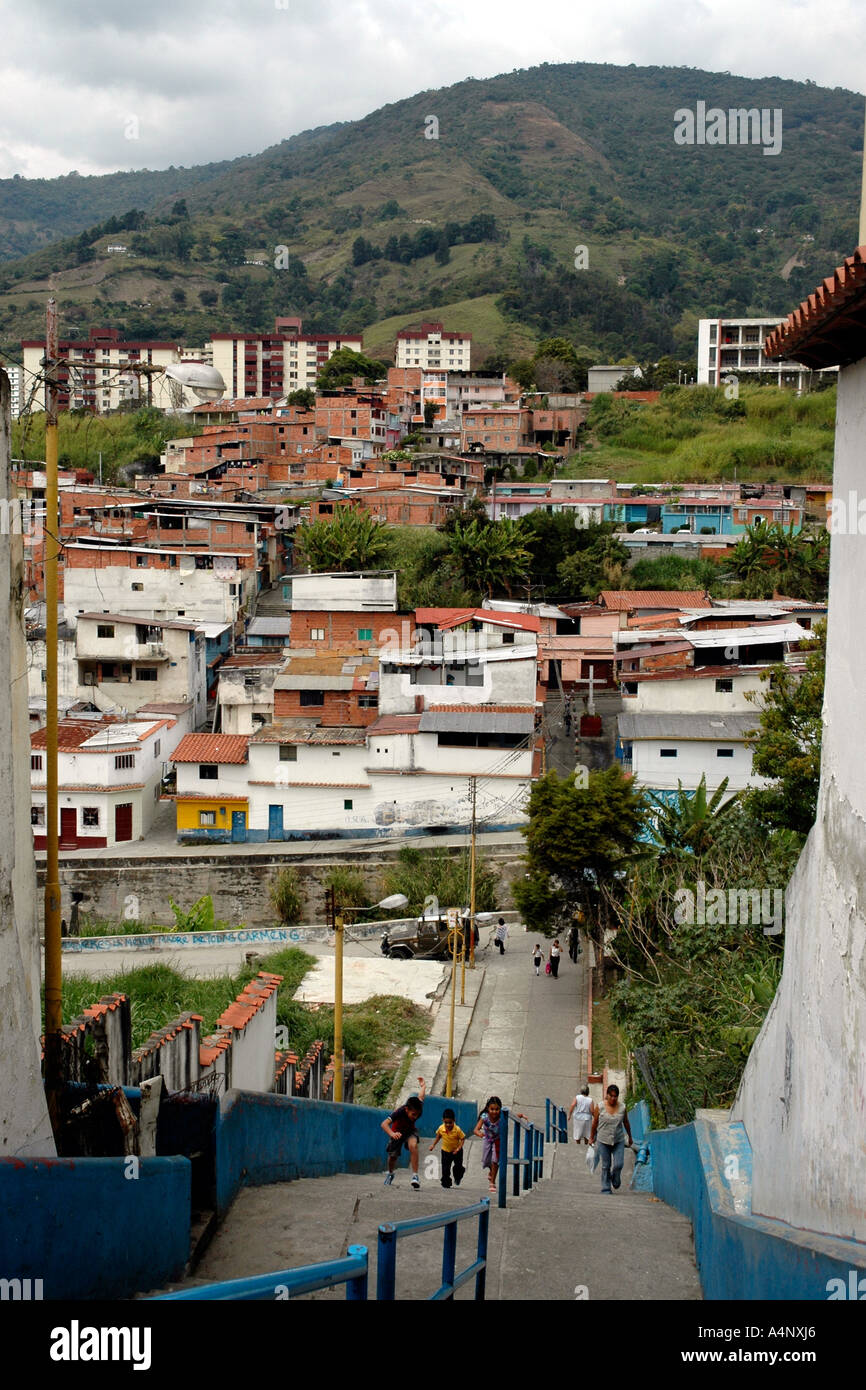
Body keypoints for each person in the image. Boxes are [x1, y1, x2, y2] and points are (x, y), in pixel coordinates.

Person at [473, 1096, 527, 1193]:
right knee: (486, 1160)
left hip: (498, 1140)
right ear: (488, 1108)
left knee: (495, 1160)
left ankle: (492, 1182)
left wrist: (521, 1116)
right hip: (487, 1139)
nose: (494, 1112)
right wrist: (480, 1134)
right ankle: (491, 1171)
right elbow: (476, 1129)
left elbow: (512, 1115)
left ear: (500, 1109)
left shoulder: (502, 1115)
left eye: (497, 1109)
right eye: (492, 1109)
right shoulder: (485, 1117)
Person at [382, 1076, 426, 1188]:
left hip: (410, 1131)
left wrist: (423, 1086)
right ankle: (391, 1173)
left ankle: (415, 1176)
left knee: (413, 1145)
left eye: (417, 1114)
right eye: (413, 1115)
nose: (415, 1117)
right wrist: (392, 1134)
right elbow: (384, 1124)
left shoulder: (417, 1107)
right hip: (397, 1133)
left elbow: (420, 1097)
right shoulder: (400, 1112)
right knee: (393, 1157)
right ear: (407, 1110)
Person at [589, 1083, 634, 1193]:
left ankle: (615, 1178)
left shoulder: (622, 1107)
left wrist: (630, 1137)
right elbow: (594, 1123)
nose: (613, 1098)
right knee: (606, 1165)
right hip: (603, 1140)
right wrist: (591, 1137)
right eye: (611, 1096)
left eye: (615, 1096)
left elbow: (626, 1123)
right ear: (607, 1095)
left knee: (619, 1164)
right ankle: (606, 1188)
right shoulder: (600, 1107)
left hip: (618, 1140)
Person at [429, 1108, 466, 1189]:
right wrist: (433, 1145)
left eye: (450, 1122)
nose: (448, 1125)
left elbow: (463, 1139)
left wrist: (458, 1148)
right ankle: (446, 1183)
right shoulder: (441, 1128)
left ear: (454, 1120)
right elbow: (438, 1136)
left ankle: (458, 1177)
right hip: (445, 1151)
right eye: (446, 1122)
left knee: (458, 1167)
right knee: (445, 1168)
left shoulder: (457, 1130)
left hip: (457, 1152)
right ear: (443, 1120)